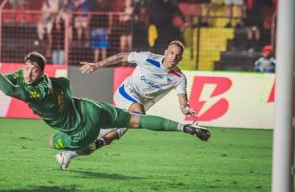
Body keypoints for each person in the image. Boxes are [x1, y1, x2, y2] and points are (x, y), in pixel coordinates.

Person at [0, 40, 210, 170]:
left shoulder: (38, 89)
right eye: (26, 69)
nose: (26, 74)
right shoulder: (49, 79)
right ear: (166, 52)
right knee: (135, 121)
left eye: (31, 70)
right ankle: (185, 130)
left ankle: (75, 150)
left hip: (83, 123)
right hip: (108, 102)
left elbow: (8, 88)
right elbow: (14, 81)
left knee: (57, 142)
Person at [58, 40, 199, 168]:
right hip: (126, 93)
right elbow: (122, 56)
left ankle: (70, 153)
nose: (173, 57)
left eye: (177, 55)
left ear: (181, 58)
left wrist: (186, 109)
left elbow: (183, 101)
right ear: (165, 53)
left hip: (139, 105)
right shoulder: (148, 58)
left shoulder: (179, 78)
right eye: (171, 53)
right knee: (139, 115)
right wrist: (97, 65)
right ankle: (84, 135)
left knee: (111, 136)